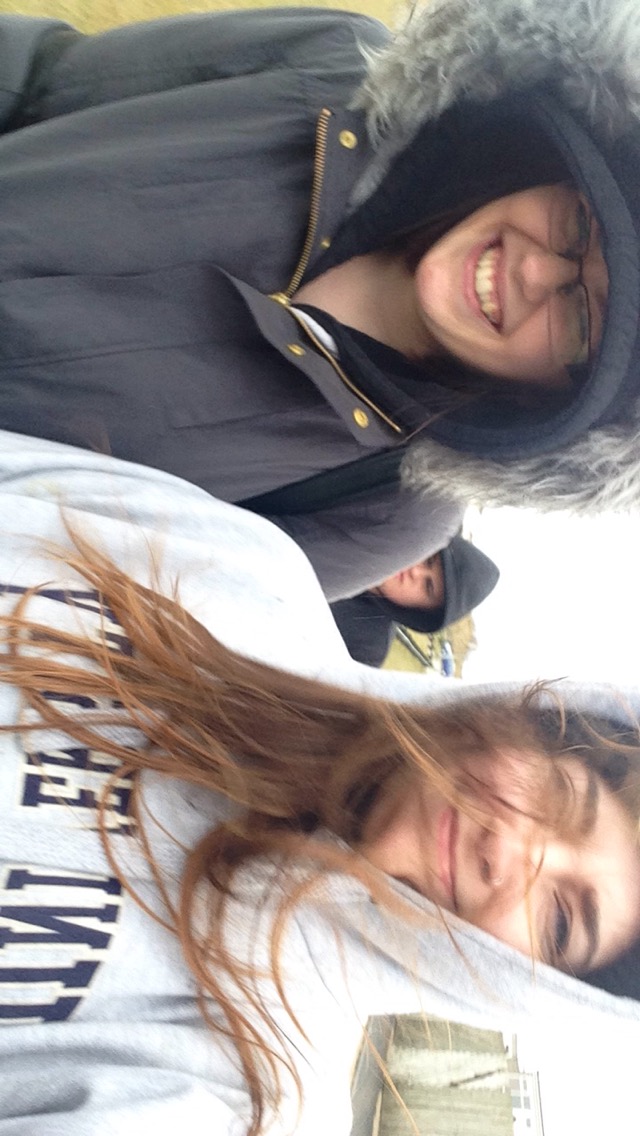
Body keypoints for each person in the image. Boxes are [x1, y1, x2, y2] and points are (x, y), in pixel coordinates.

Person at [0, 427, 639, 1136]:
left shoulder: (239, 1085)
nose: (511, 851)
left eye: (560, 920)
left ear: (535, 990)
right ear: (530, 732)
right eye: (564, 798)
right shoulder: (247, 568)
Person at [1, 0, 640, 599]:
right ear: (555, 165)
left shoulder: (390, 509)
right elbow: (41, 77)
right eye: (578, 226)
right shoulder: (332, 65)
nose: (535, 269)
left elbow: (114, 616)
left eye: (582, 321)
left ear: (559, 400)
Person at [330, 535, 499, 666]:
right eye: (428, 560)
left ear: (421, 612)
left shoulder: (365, 649)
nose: (415, 572)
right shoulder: (354, 523)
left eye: (427, 586)